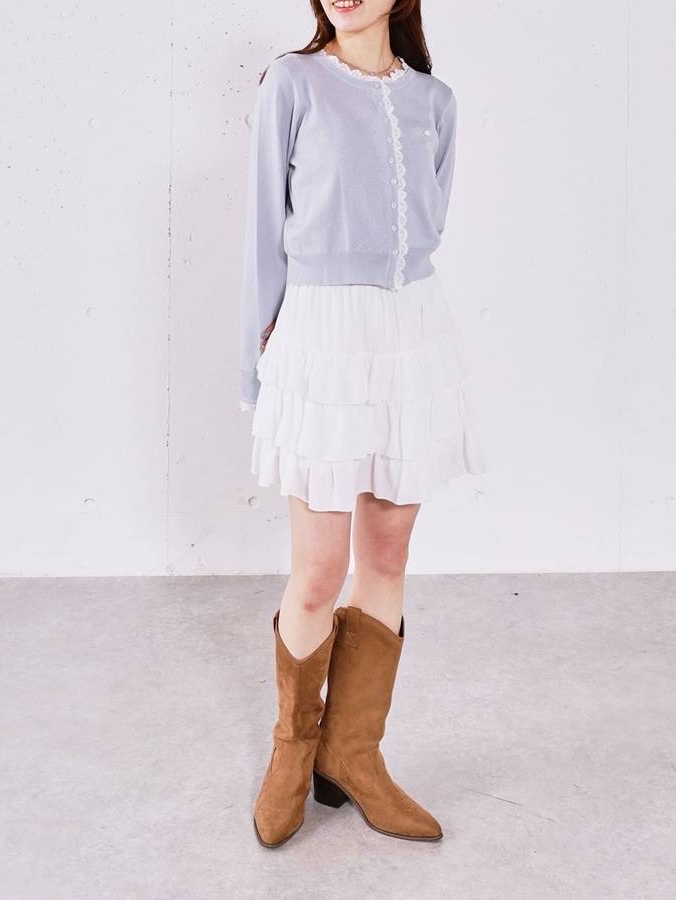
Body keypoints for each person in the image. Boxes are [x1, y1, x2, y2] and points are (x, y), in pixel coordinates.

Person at [240, 0, 487, 848]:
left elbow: (430, 227)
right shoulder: (292, 83)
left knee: (386, 555)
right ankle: (292, 752)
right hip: (320, 337)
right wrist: (255, 363)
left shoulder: (435, 102)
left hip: (410, 334)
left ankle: (353, 755)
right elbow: (262, 233)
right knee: (319, 568)